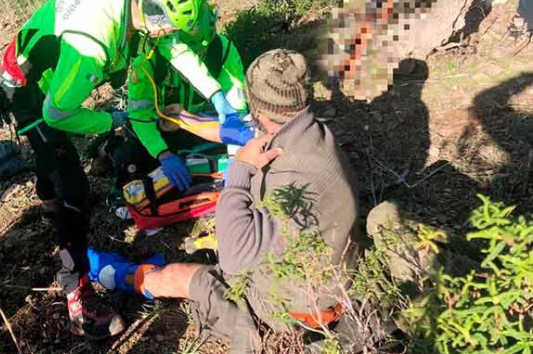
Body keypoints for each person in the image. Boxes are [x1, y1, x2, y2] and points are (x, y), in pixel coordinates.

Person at [0, 0, 236, 339]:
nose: (169, 36)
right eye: (169, 27)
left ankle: (48, 201)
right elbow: (57, 112)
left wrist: (216, 94)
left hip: (56, 72)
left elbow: (176, 49)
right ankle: (77, 293)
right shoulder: (95, 42)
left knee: (52, 169)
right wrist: (111, 121)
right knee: (72, 185)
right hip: (31, 89)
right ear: (156, 14)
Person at [88, 49, 360, 353]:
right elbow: (233, 132)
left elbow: (233, 260)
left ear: (257, 110)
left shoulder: (289, 180)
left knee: (180, 277)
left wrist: (241, 172)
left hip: (295, 306)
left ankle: (114, 275)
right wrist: (180, 118)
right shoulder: (315, 134)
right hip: (334, 272)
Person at [114, 2, 247, 196]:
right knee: (129, 159)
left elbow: (237, 107)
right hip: (159, 128)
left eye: (202, 52)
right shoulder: (148, 60)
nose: (199, 58)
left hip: (198, 123)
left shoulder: (221, 50)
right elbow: (140, 115)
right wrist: (163, 153)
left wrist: (237, 156)